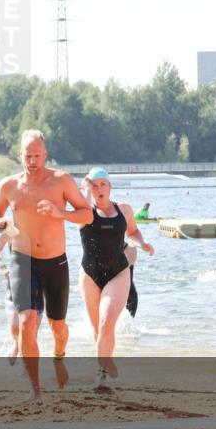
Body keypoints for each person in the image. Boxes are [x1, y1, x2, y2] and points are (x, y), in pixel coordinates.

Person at [0, 130, 92, 401]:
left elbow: (88, 214)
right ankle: (34, 389)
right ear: (20, 155)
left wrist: (61, 213)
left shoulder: (62, 181)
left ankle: (58, 358)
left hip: (55, 263)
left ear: (45, 154)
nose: (32, 160)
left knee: (57, 326)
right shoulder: (9, 185)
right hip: (22, 260)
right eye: (27, 155)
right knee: (26, 322)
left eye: (37, 155)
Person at [79, 167, 154, 390]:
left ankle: (100, 377)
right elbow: (79, 211)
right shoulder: (84, 212)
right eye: (94, 185)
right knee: (97, 329)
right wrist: (85, 189)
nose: (99, 189)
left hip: (118, 272)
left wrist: (142, 243)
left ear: (110, 187)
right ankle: (107, 358)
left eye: (103, 184)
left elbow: (133, 231)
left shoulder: (124, 210)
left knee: (106, 323)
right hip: (89, 274)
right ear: (89, 188)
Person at [0, 231, 42, 366]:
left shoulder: (41, 226)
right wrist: (3, 268)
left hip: (38, 283)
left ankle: (29, 370)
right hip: (16, 281)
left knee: (30, 332)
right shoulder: (10, 230)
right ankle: (17, 345)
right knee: (15, 328)